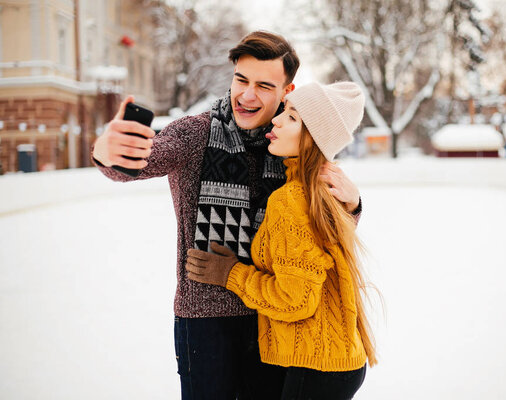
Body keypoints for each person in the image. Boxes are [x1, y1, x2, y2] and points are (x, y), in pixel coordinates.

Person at [91, 31, 363, 399]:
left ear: (288, 91)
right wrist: (107, 151)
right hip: (206, 319)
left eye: (264, 86)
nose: (247, 95)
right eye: (241, 79)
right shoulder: (195, 134)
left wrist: (353, 205)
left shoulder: (294, 142)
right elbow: (138, 162)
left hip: (275, 321)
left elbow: (312, 235)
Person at [185, 81, 377, 400]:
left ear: (312, 136)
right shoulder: (315, 190)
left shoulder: (291, 199)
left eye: (291, 117)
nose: (276, 119)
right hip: (327, 361)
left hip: (315, 366)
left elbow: (295, 299)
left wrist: (230, 273)